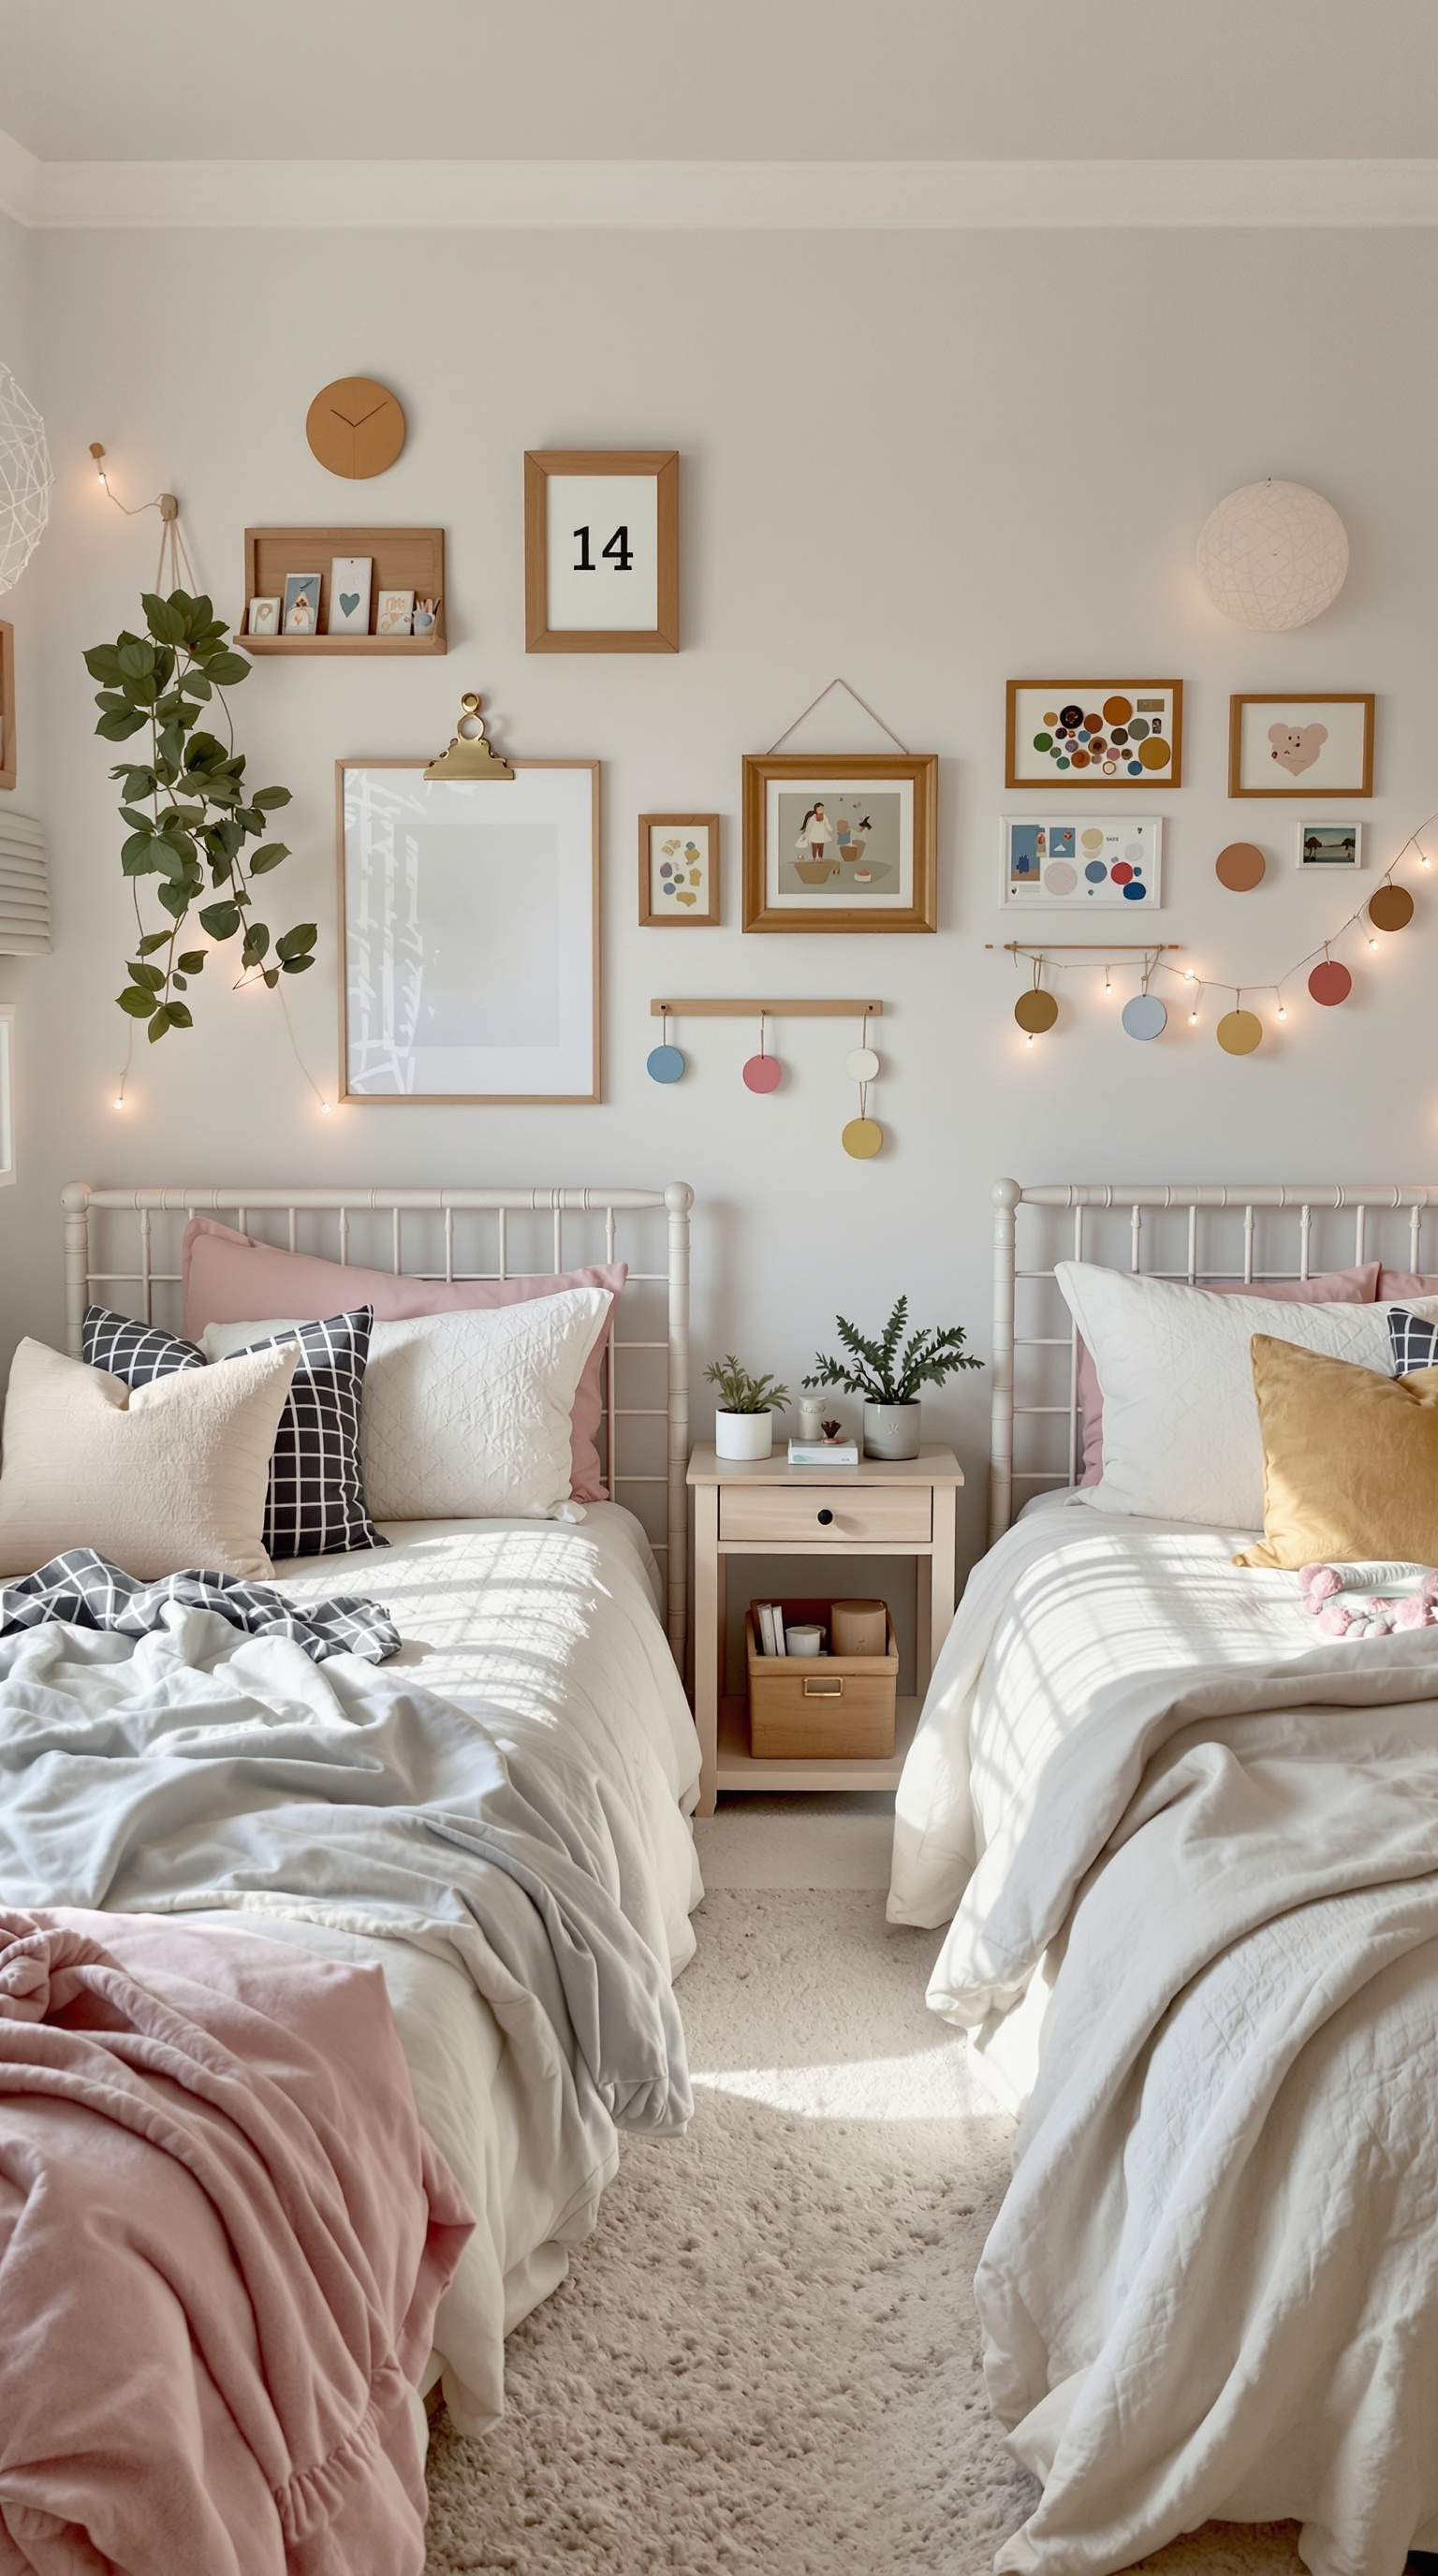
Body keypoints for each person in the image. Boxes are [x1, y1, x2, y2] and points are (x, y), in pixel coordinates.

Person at [798, 802, 834, 866]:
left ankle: (820, 858)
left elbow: (827, 824)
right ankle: (814, 858)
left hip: (822, 834)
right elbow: (809, 826)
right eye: (819, 809)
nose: (821, 811)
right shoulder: (813, 817)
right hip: (814, 835)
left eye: (822, 809)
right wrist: (806, 834)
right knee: (814, 847)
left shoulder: (824, 816)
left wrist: (831, 830)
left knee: (821, 847)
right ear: (816, 810)